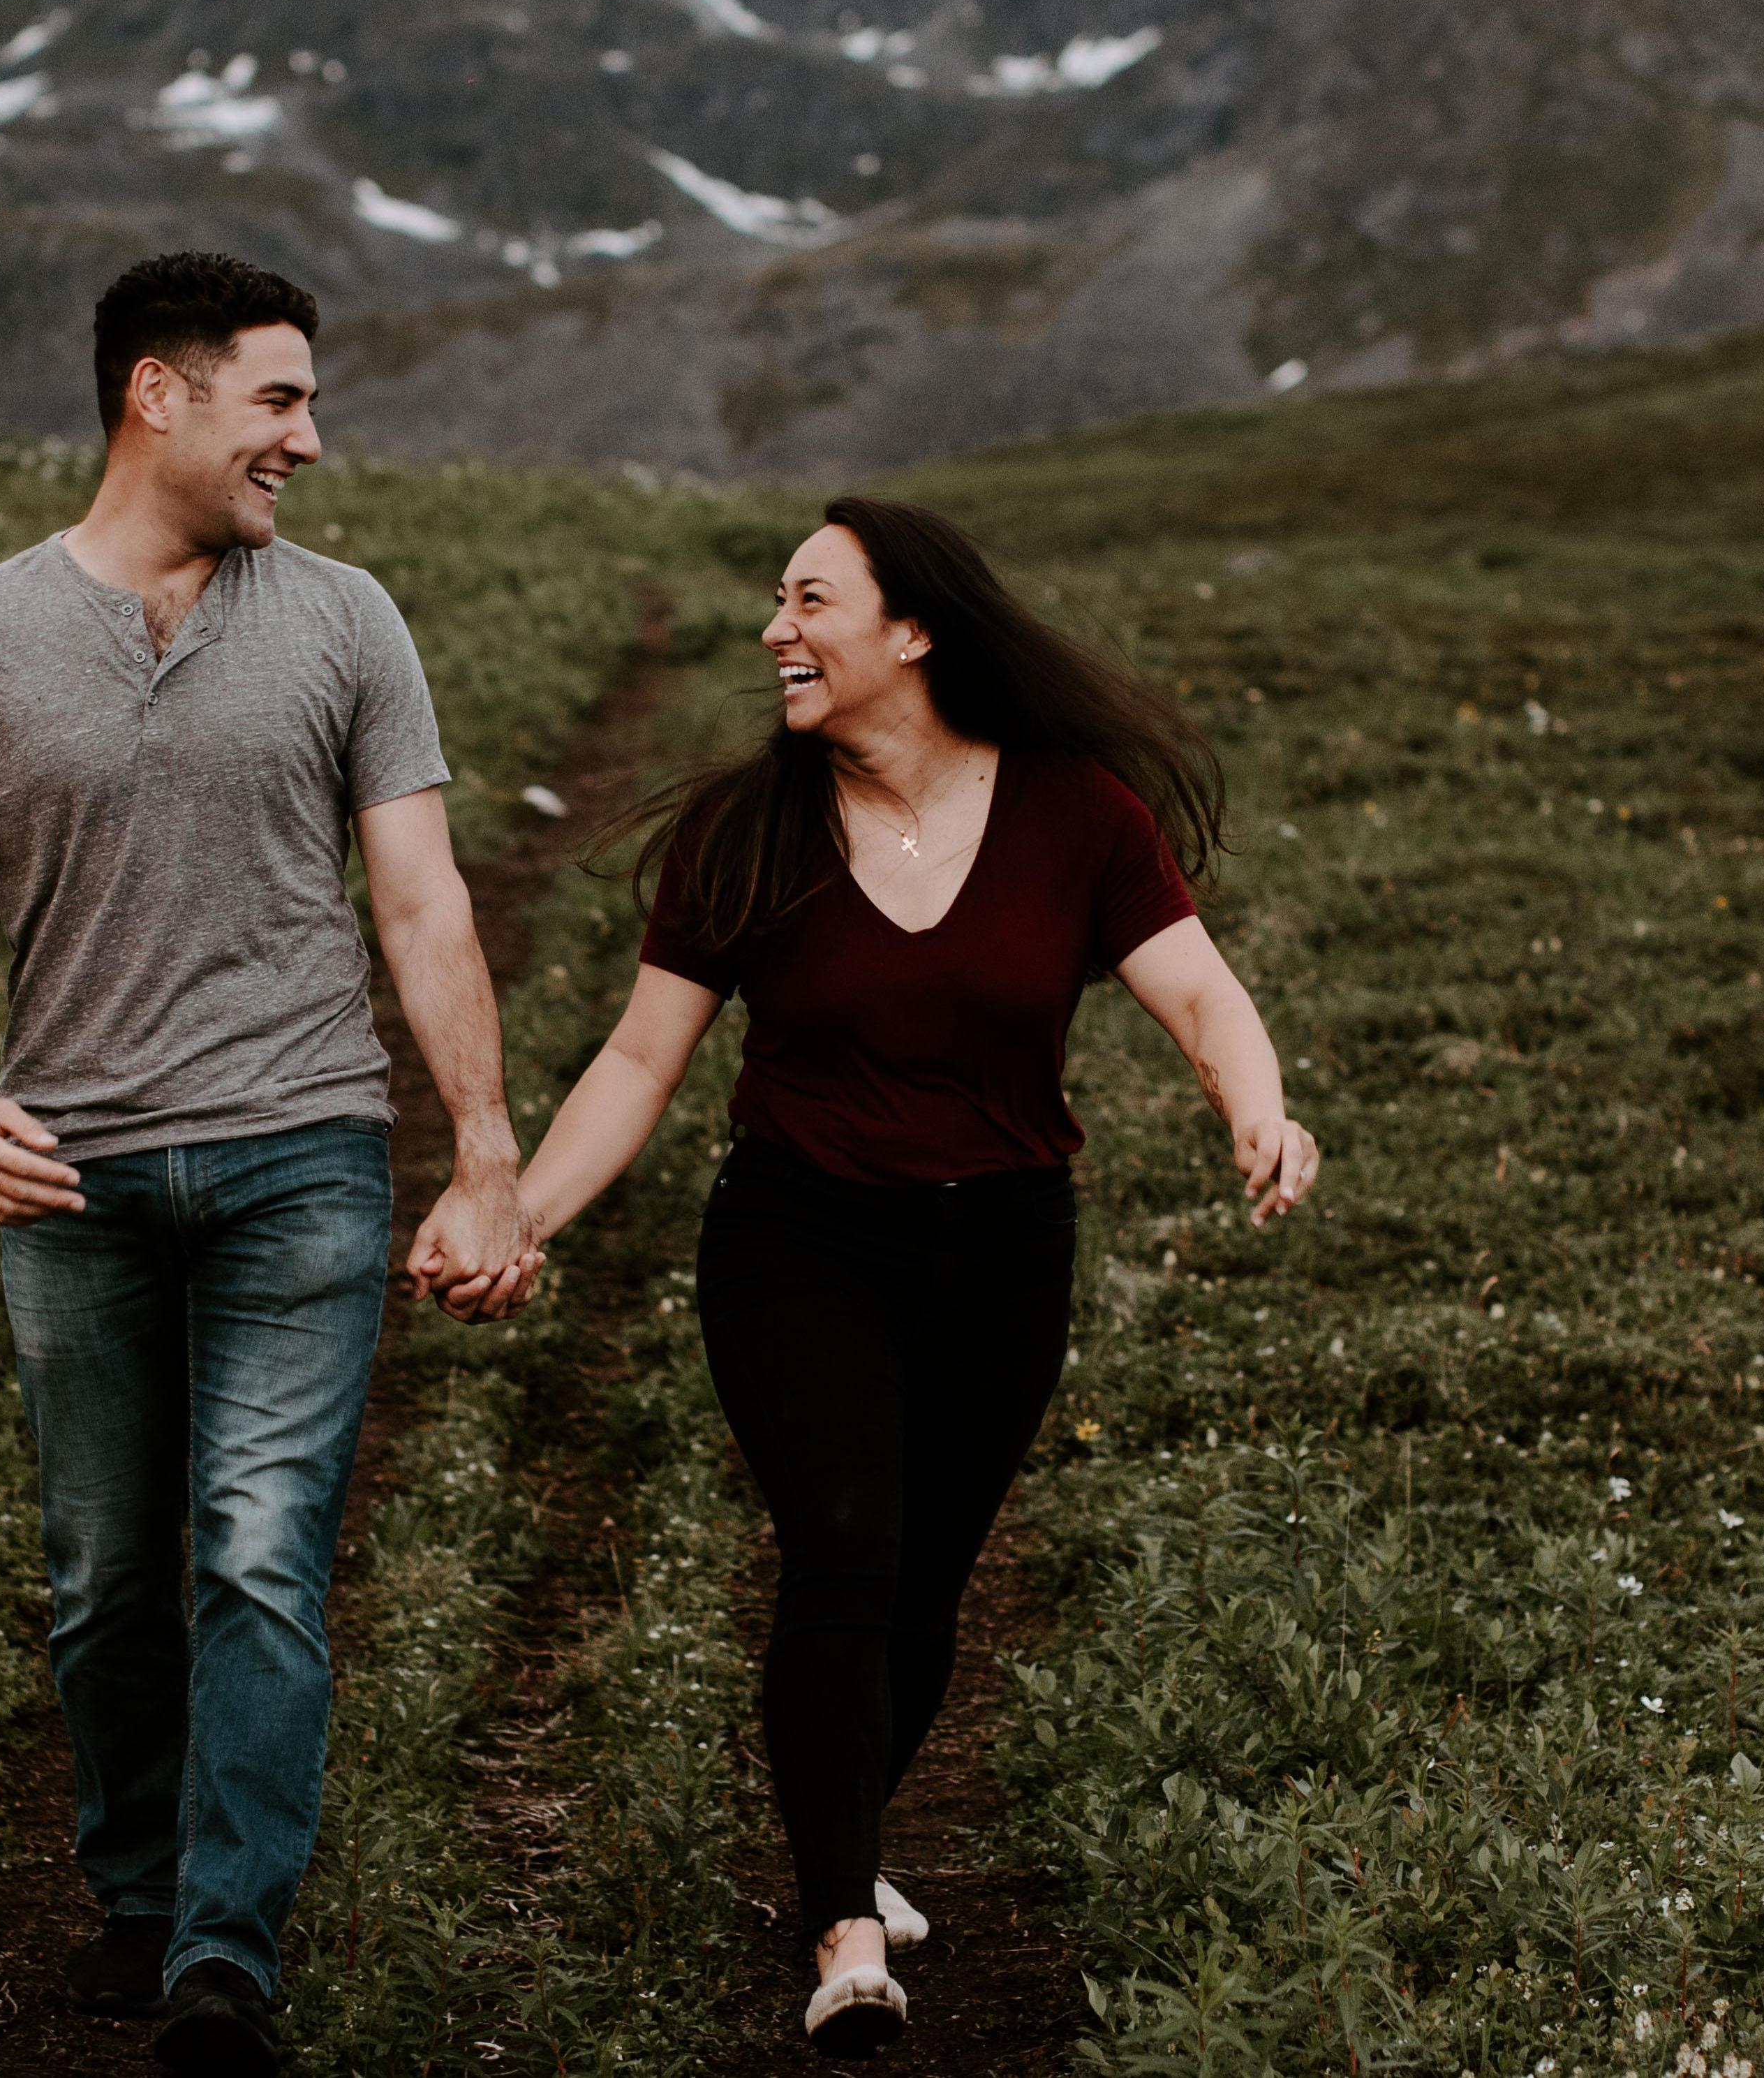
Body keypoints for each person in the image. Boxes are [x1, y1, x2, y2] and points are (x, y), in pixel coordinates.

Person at [491, 496, 1317, 2059]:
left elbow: (1205, 996)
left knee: (928, 1582)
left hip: (1003, 1249)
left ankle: (843, 1831)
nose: (775, 630)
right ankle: (844, 1927)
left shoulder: (1076, 815)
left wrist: (1257, 1111)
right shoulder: (746, 829)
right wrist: (519, 1215)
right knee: (846, 1550)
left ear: (915, 629)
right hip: (799, 1238)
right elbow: (639, 1060)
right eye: (777, 600)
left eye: (811, 600)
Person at [0, 251, 531, 2078]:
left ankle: (225, 1952)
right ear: (158, 394)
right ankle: (140, 1887)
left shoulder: (349, 621)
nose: (309, 438)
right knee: (103, 1574)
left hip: (301, 1153)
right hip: (70, 1178)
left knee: (256, 1552)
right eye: (279, 399)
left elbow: (422, 897)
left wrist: (484, 1153)